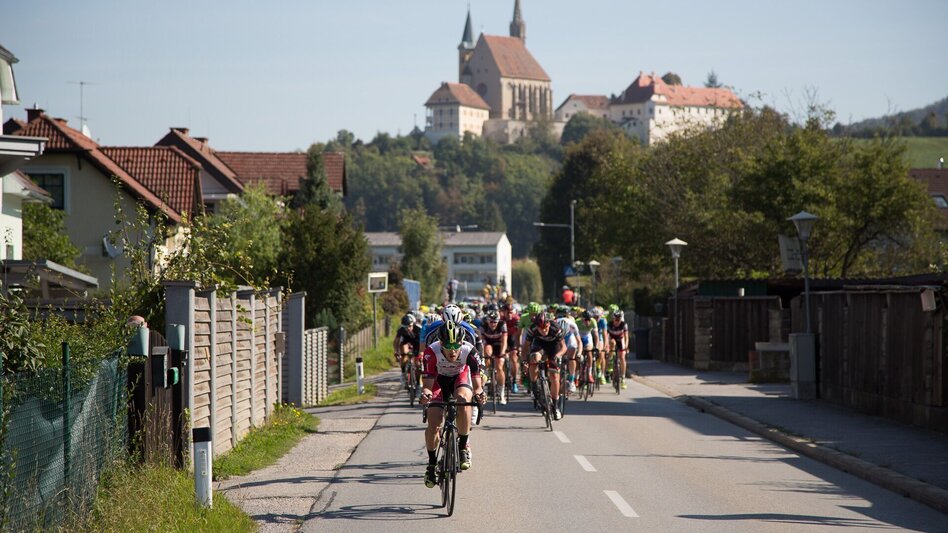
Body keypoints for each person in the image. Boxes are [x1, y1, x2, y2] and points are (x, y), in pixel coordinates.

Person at [420, 320, 486, 486]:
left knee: (464, 400)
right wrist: (426, 394)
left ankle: (463, 446)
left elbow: (477, 385)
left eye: (456, 346)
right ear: (441, 343)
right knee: (434, 423)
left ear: (461, 342)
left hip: (459, 378)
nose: (452, 351)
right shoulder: (431, 352)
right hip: (438, 381)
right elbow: (428, 385)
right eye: (448, 346)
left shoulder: (469, 351)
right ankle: (432, 463)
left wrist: (480, 394)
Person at [522, 311, 567, 420]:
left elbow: (564, 347)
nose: (543, 330)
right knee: (534, 358)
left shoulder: (556, 328)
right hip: (539, 345)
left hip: (553, 347)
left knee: (555, 376)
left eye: (545, 327)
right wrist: (524, 361)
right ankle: (534, 383)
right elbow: (525, 347)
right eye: (540, 328)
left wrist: (559, 356)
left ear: (549, 324)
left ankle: (555, 406)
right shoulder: (532, 329)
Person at [479, 309, 508, 404]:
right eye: (491, 322)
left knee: (499, 366)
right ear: (487, 321)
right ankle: (487, 373)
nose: (493, 324)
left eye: (495, 322)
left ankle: (501, 393)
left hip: (499, 344)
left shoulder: (502, 324)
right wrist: (482, 356)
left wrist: (502, 353)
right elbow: (481, 342)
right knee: (487, 351)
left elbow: (504, 340)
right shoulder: (483, 325)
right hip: (488, 344)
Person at [393, 313, 421, 391]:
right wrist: (396, 351)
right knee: (403, 353)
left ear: (413, 324)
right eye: (406, 327)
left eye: (410, 326)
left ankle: (418, 383)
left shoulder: (418, 329)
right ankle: (403, 372)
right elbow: (396, 342)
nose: (408, 328)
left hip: (416, 342)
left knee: (418, 364)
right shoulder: (401, 330)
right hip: (406, 340)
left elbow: (422, 343)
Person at [499, 302, 521, 393]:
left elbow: (519, 334)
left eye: (511, 312)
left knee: (514, 358)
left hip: (512, 338)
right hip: (502, 338)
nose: (510, 314)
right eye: (508, 312)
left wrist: (518, 347)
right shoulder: (500, 319)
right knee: (501, 358)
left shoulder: (516, 319)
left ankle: (514, 381)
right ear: (503, 312)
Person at [606, 309, 630, 389]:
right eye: (615, 319)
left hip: (620, 339)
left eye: (618, 320)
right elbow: (606, 336)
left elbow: (626, 337)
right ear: (613, 318)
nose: (617, 322)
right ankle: (610, 361)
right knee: (612, 343)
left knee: (622, 357)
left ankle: (623, 378)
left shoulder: (624, 324)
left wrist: (626, 347)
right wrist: (606, 345)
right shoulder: (609, 324)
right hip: (612, 338)